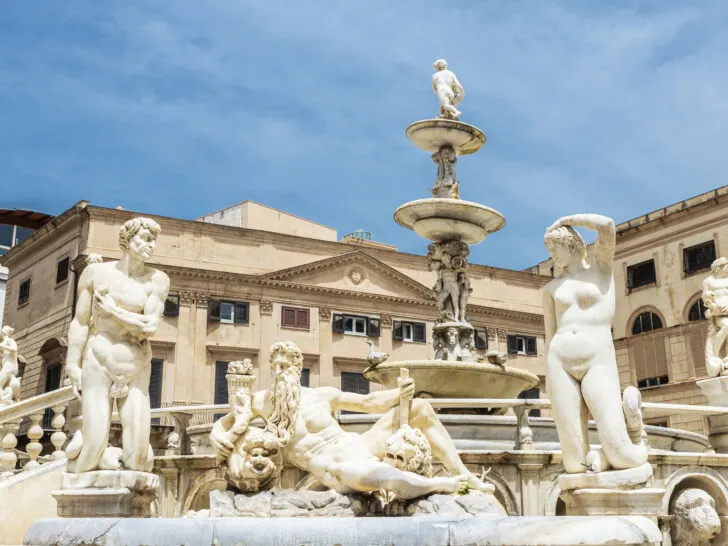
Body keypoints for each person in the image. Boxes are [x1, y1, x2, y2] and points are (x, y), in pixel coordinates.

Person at [211, 341, 492, 500]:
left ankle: (462, 474)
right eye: (276, 366)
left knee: (419, 407)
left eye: (286, 365)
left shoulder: (322, 394)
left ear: (299, 369)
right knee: (378, 476)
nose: (280, 370)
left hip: (356, 444)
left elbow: (369, 403)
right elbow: (228, 421)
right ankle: (441, 485)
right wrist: (216, 435)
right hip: (333, 465)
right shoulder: (262, 401)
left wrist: (399, 393)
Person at [543, 214, 647, 473]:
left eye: (554, 249)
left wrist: (566, 220)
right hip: (559, 362)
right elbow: (550, 333)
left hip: (596, 360)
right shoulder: (551, 289)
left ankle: (635, 431)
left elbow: (608, 225)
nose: (551, 256)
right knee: (573, 464)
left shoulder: (601, 269)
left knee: (624, 457)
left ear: (570, 246)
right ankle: (598, 458)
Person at [65, 217, 170, 473]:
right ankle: (83, 451)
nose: (151, 245)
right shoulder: (95, 274)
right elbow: (79, 322)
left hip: (136, 365)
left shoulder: (157, 280)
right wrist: (71, 364)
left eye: (154, 240)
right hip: (99, 358)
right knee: (93, 445)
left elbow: (150, 326)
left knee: (138, 456)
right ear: (127, 240)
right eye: (146, 239)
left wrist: (113, 311)